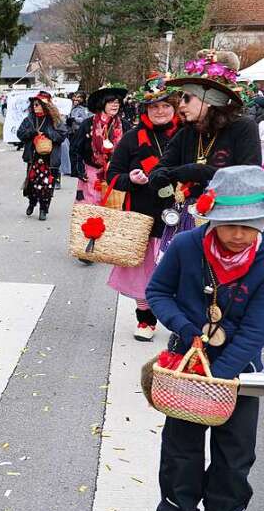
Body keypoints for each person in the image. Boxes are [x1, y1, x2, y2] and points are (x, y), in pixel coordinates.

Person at [145, 165, 264, 511]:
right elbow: (158, 292)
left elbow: (257, 325)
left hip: (239, 373)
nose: (239, 235)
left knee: (235, 458)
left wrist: (222, 372)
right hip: (185, 366)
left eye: (250, 227)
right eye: (231, 225)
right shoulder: (187, 245)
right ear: (212, 217)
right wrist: (188, 330)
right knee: (181, 452)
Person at [105, 75, 181, 341]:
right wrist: (131, 179)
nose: (160, 111)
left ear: (174, 107)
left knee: (180, 269)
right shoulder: (132, 138)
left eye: (165, 106)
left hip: (180, 214)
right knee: (144, 272)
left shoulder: (188, 134)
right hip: (142, 217)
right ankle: (146, 320)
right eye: (154, 107)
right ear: (145, 110)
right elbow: (112, 176)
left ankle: (179, 320)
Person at [150, 49, 261, 203]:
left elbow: (250, 177)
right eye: (181, 98)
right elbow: (158, 171)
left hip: (228, 215)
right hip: (188, 213)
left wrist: (200, 171)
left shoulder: (243, 127)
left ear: (209, 100)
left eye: (187, 98)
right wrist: (161, 176)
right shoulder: (187, 132)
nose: (180, 105)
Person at [17, 91, 66, 221]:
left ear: (45, 105)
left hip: (49, 159)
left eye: (38, 104)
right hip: (33, 157)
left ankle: (44, 209)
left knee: (47, 185)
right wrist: (33, 133)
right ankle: (32, 203)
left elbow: (62, 135)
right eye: (34, 104)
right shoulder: (29, 119)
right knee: (32, 184)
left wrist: (48, 134)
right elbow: (20, 134)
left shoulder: (55, 120)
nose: (35, 106)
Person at [75, 84, 128, 204]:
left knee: (113, 211)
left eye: (117, 102)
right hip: (91, 174)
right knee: (91, 213)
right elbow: (76, 148)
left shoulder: (125, 125)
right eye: (111, 102)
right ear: (102, 104)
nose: (115, 105)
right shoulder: (87, 124)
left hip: (116, 175)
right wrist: (79, 168)